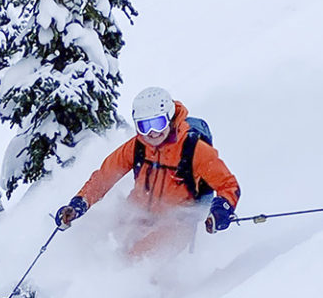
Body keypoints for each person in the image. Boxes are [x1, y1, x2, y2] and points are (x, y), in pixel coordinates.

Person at [55, 87, 240, 258]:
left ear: (170, 118)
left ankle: (150, 290)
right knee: (97, 240)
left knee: (135, 258)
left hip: (177, 222)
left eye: (157, 124)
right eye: (144, 126)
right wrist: (80, 202)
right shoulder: (137, 147)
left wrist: (220, 210)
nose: (151, 133)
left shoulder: (193, 149)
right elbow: (104, 177)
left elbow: (228, 185)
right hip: (138, 211)